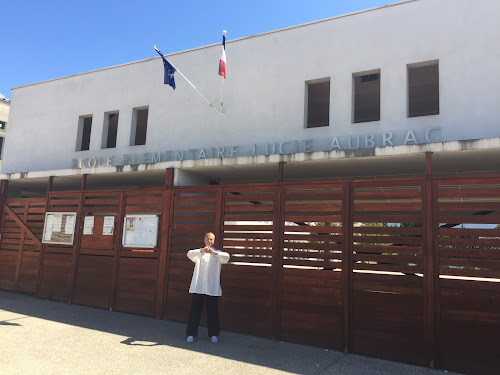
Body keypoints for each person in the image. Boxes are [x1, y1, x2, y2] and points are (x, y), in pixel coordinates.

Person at [186, 232, 230, 343]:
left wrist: (214, 253)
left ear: (214, 241)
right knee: (194, 311)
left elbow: (227, 257)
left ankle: (214, 334)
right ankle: (191, 334)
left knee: (213, 312)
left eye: (211, 239)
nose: (209, 241)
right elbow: (189, 254)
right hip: (198, 287)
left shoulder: (218, 254)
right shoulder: (198, 254)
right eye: (207, 239)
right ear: (204, 240)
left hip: (212, 288)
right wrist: (202, 250)